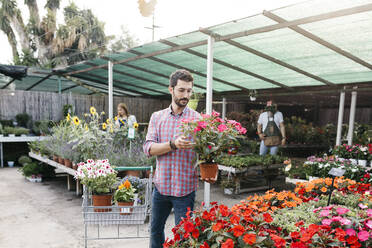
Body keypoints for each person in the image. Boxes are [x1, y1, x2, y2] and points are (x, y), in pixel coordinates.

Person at [143, 69, 200, 248]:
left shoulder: (197, 119)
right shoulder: (157, 117)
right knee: (155, 230)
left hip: (185, 189)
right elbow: (148, 148)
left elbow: (206, 151)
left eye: (189, 91)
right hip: (161, 187)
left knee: (184, 236)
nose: (186, 95)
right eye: (181, 90)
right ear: (171, 89)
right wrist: (173, 144)